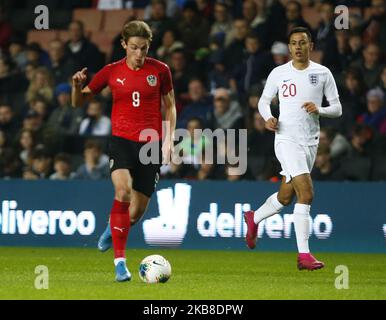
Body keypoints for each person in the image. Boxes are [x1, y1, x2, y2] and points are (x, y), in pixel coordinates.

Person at [72, 21, 176, 282]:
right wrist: (76, 86)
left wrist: (169, 139)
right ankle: (120, 264)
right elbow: (78, 103)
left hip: (150, 143)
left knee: (136, 212)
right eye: (134, 48)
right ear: (123, 46)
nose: (139, 54)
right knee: (122, 191)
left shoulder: (161, 70)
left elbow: (170, 106)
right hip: (121, 141)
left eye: (143, 48)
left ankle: (111, 228)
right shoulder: (110, 71)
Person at [243, 27, 342, 271]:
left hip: (311, 141)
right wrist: (268, 117)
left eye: (303, 42)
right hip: (286, 139)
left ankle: (253, 218)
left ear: (311, 46)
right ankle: (304, 255)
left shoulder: (322, 73)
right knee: (306, 194)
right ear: (289, 48)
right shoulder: (279, 73)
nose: (298, 47)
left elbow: (338, 108)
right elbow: (264, 101)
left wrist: (320, 109)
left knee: (286, 196)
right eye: (294, 43)